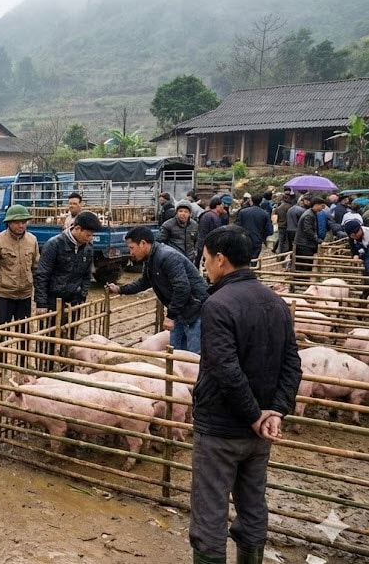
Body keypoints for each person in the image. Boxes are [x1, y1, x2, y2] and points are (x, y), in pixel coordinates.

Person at [189, 225, 301, 564]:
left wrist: (253, 414)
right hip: (260, 432)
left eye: (206, 259)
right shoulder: (276, 302)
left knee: (210, 511)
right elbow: (292, 364)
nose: (205, 266)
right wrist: (274, 412)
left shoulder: (218, 304)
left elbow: (224, 369)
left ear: (221, 260)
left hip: (222, 428)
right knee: (253, 505)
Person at [106, 227, 207, 354]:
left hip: (195, 310)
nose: (130, 252)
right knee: (176, 353)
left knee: (193, 355)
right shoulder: (150, 259)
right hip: (181, 311)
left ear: (143, 243)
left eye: (132, 247)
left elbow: (182, 287)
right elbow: (144, 282)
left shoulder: (167, 257)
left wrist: (170, 315)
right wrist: (120, 289)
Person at [34, 211, 102, 345]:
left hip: (73, 299)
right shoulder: (54, 244)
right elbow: (42, 274)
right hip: (53, 299)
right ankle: (47, 365)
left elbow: (86, 276)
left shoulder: (87, 249)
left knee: (70, 337)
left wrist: (82, 296)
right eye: (88, 235)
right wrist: (41, 303)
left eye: (91, 235)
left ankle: (67, 365)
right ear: (77, 229)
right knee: (49, 338)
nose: (89, 238)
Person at [0, 204, 40, 324]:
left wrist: (38, 292)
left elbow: (36, 267)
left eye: (24, 222)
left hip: (25, 295)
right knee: (3, 330)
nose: (21, 225)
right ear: (9, 222)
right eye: (17, 222)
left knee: (23, 331)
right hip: (3, 295)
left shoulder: (32, 240)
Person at [294, 197, 327, 284]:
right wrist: (318, 240)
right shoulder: (309, 215)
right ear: (316, 205)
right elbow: (308, 231)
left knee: (305, 264)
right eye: (322, 206)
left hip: (306, 243)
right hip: (304, 244)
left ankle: (302, 281)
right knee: (304, 264)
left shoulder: (312, 214)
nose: (323, 208)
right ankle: (301, 282)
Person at [235, 197, 274, 262]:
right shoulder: (264, 214)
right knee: (254, 260)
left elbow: (237, 226)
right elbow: (269, 230)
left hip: (243, 239)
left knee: (243, 259)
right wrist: (262, 236)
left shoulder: (243, 212)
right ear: (261, 202)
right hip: (257, 240)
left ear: (251, 201)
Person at [195, 198, 225, 267]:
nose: (223, 208)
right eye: (221, 206)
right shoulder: (213, 217)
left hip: (202, 244)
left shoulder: (206, 215)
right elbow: (215, 234)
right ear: (217, 206)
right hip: (208, 246)